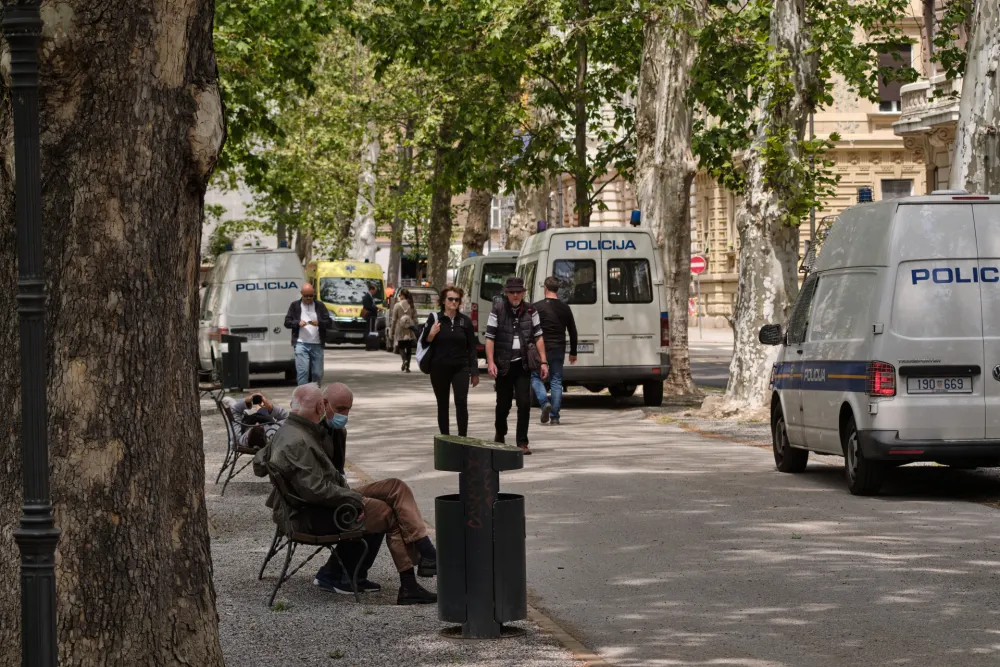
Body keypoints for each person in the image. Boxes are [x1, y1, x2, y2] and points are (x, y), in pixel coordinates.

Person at [253, 383, 438, 605]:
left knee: (395, 487)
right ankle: (407, 586)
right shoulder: (298, 439)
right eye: (340, 408)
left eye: (348, 409)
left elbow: (261, 463)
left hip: (326, 499)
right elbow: (315, 490)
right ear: (322, 405)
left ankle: (426, 551)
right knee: (386, 512)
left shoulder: (298, 429)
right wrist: (356, 499)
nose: (345, 415)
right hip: (311, 513)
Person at [485, 277, 548, 455]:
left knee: (524, 403)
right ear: (506, 293)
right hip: (503, 364)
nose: (515, 295)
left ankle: (522, 442)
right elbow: (490, 337)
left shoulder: (531, 310)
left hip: (523, 364)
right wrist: (490, 362)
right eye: (511, 292)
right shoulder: (497, 309)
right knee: (503, 405)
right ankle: (500, 432)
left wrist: (543, 361)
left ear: (523, 293)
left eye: (518, 292)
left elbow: (539, 336)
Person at [423, 286, 479, 436]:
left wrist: (474, 372)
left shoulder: (465, 322)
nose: (454, 302)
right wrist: (431, 334)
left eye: (457, 299)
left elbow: (472, 348)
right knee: (443, 404)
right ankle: (445, 439)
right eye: (450, 299)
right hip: (439, 368)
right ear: (443, 301)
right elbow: (423, 342)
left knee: (461, 402)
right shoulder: (435, 319)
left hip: (460, 368)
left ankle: (462, 438)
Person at [531, 277, 578, 426]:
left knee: (535, 377)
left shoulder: (536, 307)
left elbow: (530, 329)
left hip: (540, 348)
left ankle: (544, 402)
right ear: (557, 289)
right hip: (558, 348)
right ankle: (555, 417)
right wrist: (573, 352)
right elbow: (572, 331)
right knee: (556, 381)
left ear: (545, 288)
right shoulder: (565, 308)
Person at [284, 283, 331, 385]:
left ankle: (315, 395)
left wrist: (319, 323)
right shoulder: (295, 306)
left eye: (311, 296)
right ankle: (303, 397)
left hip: (317, 344)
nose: (309, 298)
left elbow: (329, 322)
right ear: (301, 294)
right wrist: (297, 323)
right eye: (306, 296)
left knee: (317, 373)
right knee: (303, 372)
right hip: (301, 344)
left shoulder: (320, 305)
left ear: (314, 294)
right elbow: (287, 322)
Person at [391, 288, 419, 372]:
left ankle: (404, 360)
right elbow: (415, 318)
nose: (399, 297)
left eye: (400, 295)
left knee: (401, 347)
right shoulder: (412, 305)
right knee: (409, 348)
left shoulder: (397, 305)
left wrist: (392, 331)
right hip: (409, 328)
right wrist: (415, 329)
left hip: (400, 329)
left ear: (403, 296)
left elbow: (394, 319)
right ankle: (407, 367)